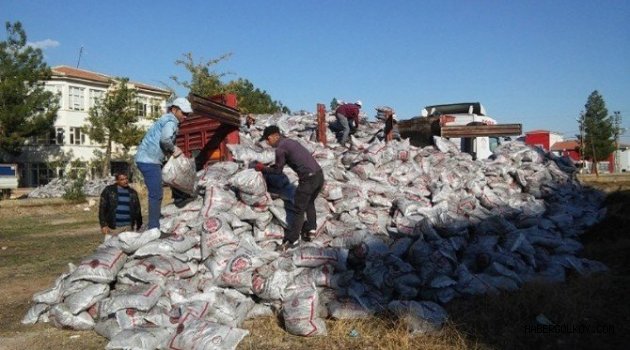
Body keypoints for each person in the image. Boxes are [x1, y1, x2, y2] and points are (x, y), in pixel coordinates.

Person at [254, 125, 324, 251]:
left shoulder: (280, 149)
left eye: (267, 140)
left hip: (308, 179)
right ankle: (312, 230)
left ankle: (292, 240)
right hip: (319, 175)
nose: (268, 143)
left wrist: (262, 168)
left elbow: (278, 171)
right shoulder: (290, 142)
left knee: (298, 209)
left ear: (273, 136)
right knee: (309, 202)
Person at [135, 97, 191, 229]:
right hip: (149, 160)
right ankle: (154, 228)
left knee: (158, 191)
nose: (186, 116)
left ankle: (156, 221)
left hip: (149, 159)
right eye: (184, 113)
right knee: (156, 193)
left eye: (187, 114)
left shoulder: (167, 120)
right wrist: (173, 149)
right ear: (174, 110)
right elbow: (165, 139)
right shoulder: (171, 121)